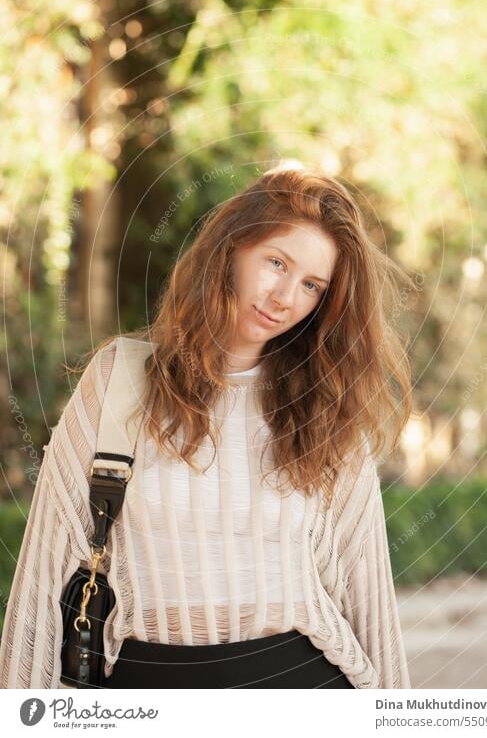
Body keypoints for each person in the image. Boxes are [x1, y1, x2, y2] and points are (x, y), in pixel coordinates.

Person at [0, 163, 415, 689]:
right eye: (276, 262)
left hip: (299, 686)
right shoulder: (119, 380)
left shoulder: (323, 410)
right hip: (146, 688)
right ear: (232, 248)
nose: (285, 297)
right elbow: (46, 564)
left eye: (312, 285)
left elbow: (367, 589)